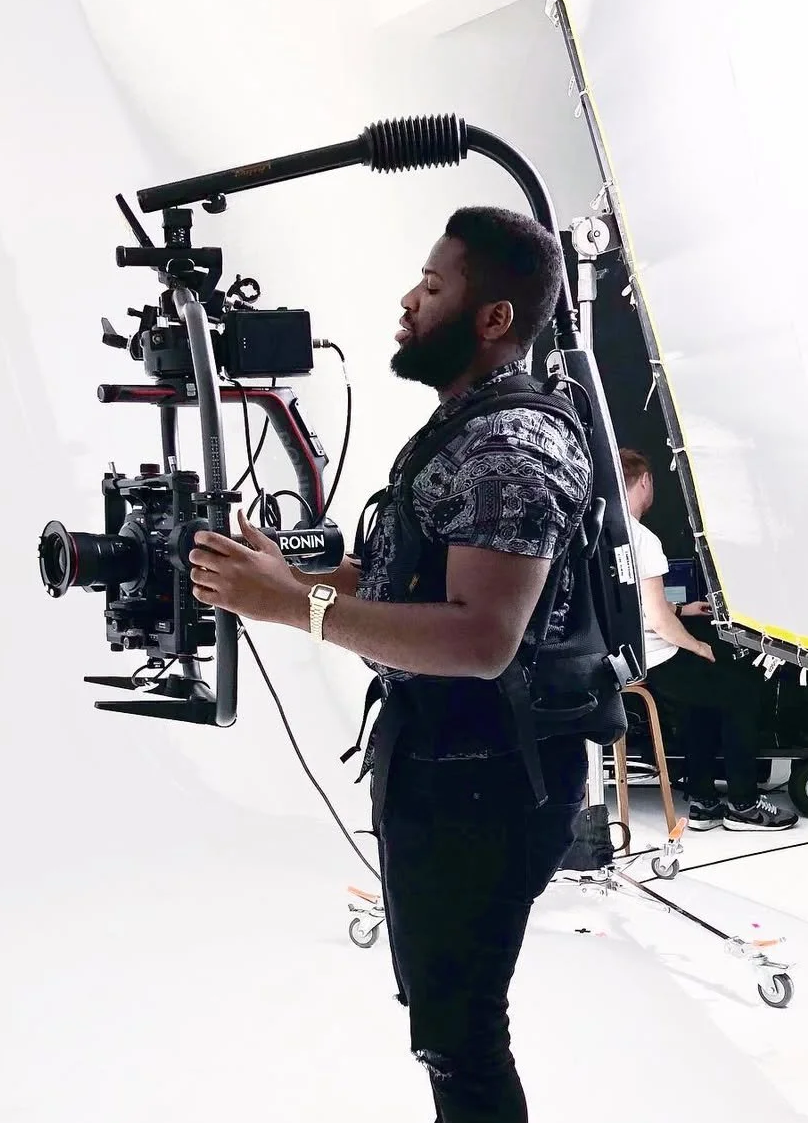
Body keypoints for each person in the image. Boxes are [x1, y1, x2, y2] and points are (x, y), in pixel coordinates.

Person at [187, 205, 594, 1123]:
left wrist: (290, 604)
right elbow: (402, 572)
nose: (410, 300)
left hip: (489, 781)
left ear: (493, 319)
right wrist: (281, 576)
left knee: (461, 1037)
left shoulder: (512, 447)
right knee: (443, 1015)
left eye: (435, 284)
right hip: (442, 767)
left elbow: (480, 638)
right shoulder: (465, 425)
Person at [619, 448, 798, 833]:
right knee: (743, 692)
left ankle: (703, 801)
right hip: (656, 658)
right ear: (645, 481)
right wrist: (696, 645)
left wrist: (684, 612)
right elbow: (658, 621)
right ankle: (744, 806)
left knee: (699, 700)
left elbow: (634, 604)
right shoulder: (644, 540)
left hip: (626, 656)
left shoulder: (607, 531)